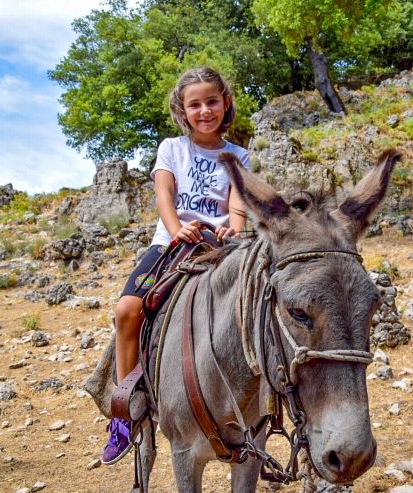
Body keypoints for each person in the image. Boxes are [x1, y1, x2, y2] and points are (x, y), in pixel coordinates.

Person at [102, 67, 249, 464]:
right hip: (171, 242)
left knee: (257, 303)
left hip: (219, 247)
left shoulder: (238, 155)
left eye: (212, 101)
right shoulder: (171, 147)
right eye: (195, 104)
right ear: (183, 110)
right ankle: (125, 410)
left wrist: (233, 231)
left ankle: (264, 401)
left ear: (226, 103)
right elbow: (165, 194)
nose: (205, 110)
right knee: (127, 309)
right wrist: (175, 228)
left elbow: (237, 206)